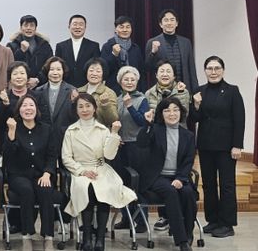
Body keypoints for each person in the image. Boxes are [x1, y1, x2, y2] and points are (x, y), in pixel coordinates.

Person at [62, 93, 137, 251]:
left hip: (101, 169)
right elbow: (66, 158)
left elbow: (109, 155)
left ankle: (100, 238)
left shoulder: (103, 129)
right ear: (76, 110)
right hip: (80, 171)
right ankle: (87, 237)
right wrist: (82, 171)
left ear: (95, 108)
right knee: (87, 189)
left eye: (88, 106)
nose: (85, 110)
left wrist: (114, 134)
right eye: (81, 106)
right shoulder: (71, 130)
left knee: (105, 190)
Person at [191, 56, 245, 238]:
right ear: (205, 71)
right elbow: (194, 119)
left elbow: (239, 119)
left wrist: (237, 145)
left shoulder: (232, 91)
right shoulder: (199, 91)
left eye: (217, 68)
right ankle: (213, 220)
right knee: (208, 185)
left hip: (226, 147)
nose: (213, 72)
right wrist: (196, 105)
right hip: (205, 145)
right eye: (210, 68)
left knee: (227, 185)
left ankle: (227, 224)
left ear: (223, 70)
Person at [137, 98, 197, 251]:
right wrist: (147, 124)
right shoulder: (155, 130)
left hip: (179, 176)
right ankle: (182, 241)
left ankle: (188, 233)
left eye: (175, 110)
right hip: (157, 177)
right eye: (167, 110)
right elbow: (141, 143)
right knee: (170, 191)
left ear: (181, 112)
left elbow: (188, 161)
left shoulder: (188, 135)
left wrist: (180, 179)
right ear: (161, 114)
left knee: (188, 193)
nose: (172, 114)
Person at [2, 94, 59, 249]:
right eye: (24, 105)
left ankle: (48, 236)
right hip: (18, 175)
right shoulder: (13, 128)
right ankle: (27, 235)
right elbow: (8, 156)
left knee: (46, 190)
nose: (28, 108)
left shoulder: (46, 129)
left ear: (36, 109)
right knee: (26, 190)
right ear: (19, 110)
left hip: (41, 174)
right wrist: (12, 133)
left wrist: (47, 173)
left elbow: (52, 155)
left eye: (31, 105)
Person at [112, 66, 149, 232]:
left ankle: (142, 221)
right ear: (120, 82)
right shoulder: (117, 99)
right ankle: (126, 218)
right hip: (121, 146)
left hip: (137, 146)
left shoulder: (142, 99)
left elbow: (142, 121)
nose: (129, 82)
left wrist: (130, 106)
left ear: (137, 81)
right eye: (126, 79)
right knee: (123, 182)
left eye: (132, 79)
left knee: (138, 183)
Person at [145, 9, 199, 92]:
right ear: (161, 24)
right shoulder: (152, 42)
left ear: (176, 23)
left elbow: (191, 69)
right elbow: (147, 68)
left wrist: (196, 91)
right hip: (162, 91)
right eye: (166, 20)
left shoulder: (186, 42)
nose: (169, 23)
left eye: (172, 20)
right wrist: (153, 52)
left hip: (183, 88)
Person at [7, 14, 53, 88]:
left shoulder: (45, 46)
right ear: (21, 28)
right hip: (19, 87)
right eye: (26, 25)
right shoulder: (12, 46)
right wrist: (21, 51)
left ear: (35, 28)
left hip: (41, 87)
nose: (29, 28)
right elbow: (10, 66)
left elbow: (49, 66)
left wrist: (37, 79)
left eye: (32, 25)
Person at [34, 56, 78, 133]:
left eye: (58, 69)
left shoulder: (72, 90)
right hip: (44, 134)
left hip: (65, 134)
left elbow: (75, 115)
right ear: (47, 71)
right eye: (51, 69)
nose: (55, 73)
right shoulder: (39, 91)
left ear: (63, 71)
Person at [54, 15, 101, 88]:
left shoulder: (94, 46)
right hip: (65, 86)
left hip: (87, 86)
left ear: (85, 27)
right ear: (69, 27)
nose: (78, 27)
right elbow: (58, 66)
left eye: (81, 24)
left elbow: (96, 66)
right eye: (75, 24)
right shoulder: (60, 46)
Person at [100, 16, 144, 93]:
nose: (125, 30)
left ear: (131, 29)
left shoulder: (135, 48)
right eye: (121, 27)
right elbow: (104, 70)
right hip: (113, 91)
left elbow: (141, 71)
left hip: (134, 90)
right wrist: (114, 54)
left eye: (128, 27)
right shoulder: (107, 46)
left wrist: (142, 90)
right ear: (115, 29)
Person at [145, 60, 190, 129]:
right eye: (162, 71)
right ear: (156, 75)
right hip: (157, 132)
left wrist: (180, 93)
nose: (165, 74)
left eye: (168, 71)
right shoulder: (149, 93)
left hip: (177, 131)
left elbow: (184, 116)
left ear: (174, 76)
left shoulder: (183, 91)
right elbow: (148, 118)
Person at [77, 58, 118, 127]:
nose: (94, 74)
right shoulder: (78, 91)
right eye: (91, 70)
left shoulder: (109, 93)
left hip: (100, 131)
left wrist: (106, 105)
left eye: (98, 71)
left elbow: (113, 120)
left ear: (103, 73)